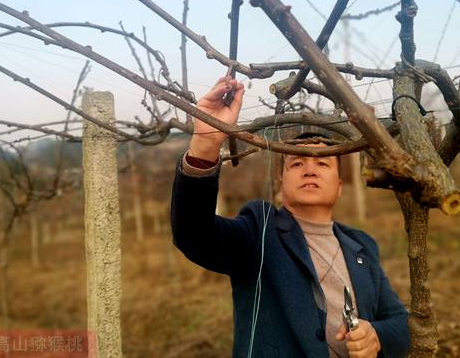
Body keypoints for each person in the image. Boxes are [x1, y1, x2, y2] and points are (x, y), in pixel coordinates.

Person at [171, 76, 410, 358]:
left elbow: (400, 324)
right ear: (281, 183)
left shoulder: (362, 246)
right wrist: (205, 148)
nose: (310, 170)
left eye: (322, 163)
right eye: (297, 163)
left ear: (339, 186)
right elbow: (194, 235)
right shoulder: (259, 231)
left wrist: (377, 336)